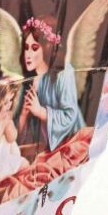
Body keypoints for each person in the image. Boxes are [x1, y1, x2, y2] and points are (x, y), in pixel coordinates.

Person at [15, 15, 85, 154]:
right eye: (26, 47)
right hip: (49, 145)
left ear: (47, 47)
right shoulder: (31, 81)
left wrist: (40, 111)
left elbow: (70, 116)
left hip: (71, 145)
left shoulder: (63, 74)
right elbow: (21, 134)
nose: (27, 54)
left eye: (34, 47)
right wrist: (23, 114)